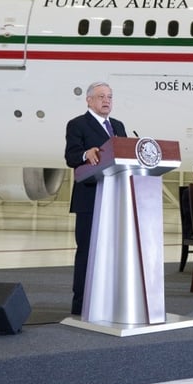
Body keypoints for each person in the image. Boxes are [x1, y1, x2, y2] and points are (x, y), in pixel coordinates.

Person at [64, 81, 127, 315]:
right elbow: (71, 157)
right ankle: (81, 304)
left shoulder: (118, 126)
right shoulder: (78, 124)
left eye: (110, 96)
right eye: (101, 96)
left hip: (116, 199)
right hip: (90, 198)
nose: (106, 100)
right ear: (89, 100)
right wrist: (84, 153)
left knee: (112, 252)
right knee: (87, 251)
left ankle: (108, 301)